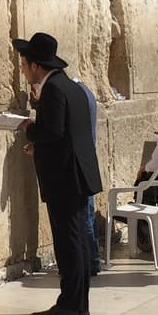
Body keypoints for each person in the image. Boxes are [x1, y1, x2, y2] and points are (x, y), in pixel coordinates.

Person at [13, 33, 103, 315]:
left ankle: (67, 305)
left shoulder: (53, 90)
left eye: (25, 65)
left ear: (36, 66)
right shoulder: (72, 87)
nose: (24, 70)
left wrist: (30, 129)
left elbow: (52, 132)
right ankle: (80, 303)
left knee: (68, 242)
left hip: (64, 178)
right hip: (78, 175)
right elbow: (67, 134)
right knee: (76, 240)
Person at [72, 75, 101, 276]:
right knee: (88, 215)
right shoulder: (87, 92)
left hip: (80, 166)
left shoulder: (77, 96)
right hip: (89, 163)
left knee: (85, 217)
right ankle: (93, 261)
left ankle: (90, 263)